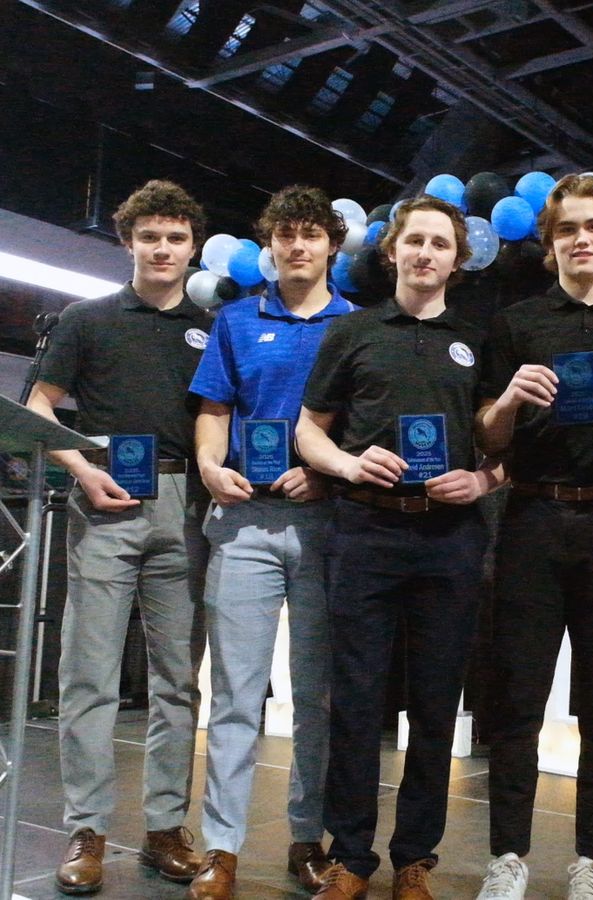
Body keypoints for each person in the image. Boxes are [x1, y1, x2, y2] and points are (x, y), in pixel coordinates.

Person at [295, 195, 504, 900]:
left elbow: (506, 450)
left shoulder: (479, 338)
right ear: (392, 252)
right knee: (355, 698)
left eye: (439, 244)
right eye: (414, 240)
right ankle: (351, 855)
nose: (425, 253)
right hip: (365, 532)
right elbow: (308, 431)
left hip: (449, 541)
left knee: (437, 703)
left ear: (457, 258)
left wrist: (481, 480)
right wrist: (349, 465)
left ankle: (415, 856)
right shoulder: (353, 332)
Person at [25, 179, 210, 894]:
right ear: (128, 242)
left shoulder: (210, 328)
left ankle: (166, 827)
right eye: (149, 236)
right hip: (103, 498)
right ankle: (87, 829)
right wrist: (82, 469)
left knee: (178, 681)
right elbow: (38, 404)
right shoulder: (86, 318)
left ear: (192, 246)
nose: (162, 249)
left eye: (174, 237)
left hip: (186, 506)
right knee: (88, 674)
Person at [474, 175, 593, 900]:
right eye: (566, 230)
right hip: (533, 519)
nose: (581, 238)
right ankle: (509, 857)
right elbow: (485, 435)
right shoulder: (517, 323)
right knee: (517, 697)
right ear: (549, 247)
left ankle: (592, 862)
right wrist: (511, 400)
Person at [185, 186, 355, 899]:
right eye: (285, 234)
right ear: (271, 245)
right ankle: (222, 848)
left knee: (315, 697)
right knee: (234, 696)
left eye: (311, 235)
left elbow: (362, 425)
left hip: (324, 525)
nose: (297, 246)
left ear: (331, 247)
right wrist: (207, 464)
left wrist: (327, 479)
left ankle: (305, 841)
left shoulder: (358, 323)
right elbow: (214, 410)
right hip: (245, 526)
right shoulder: (234, 318)